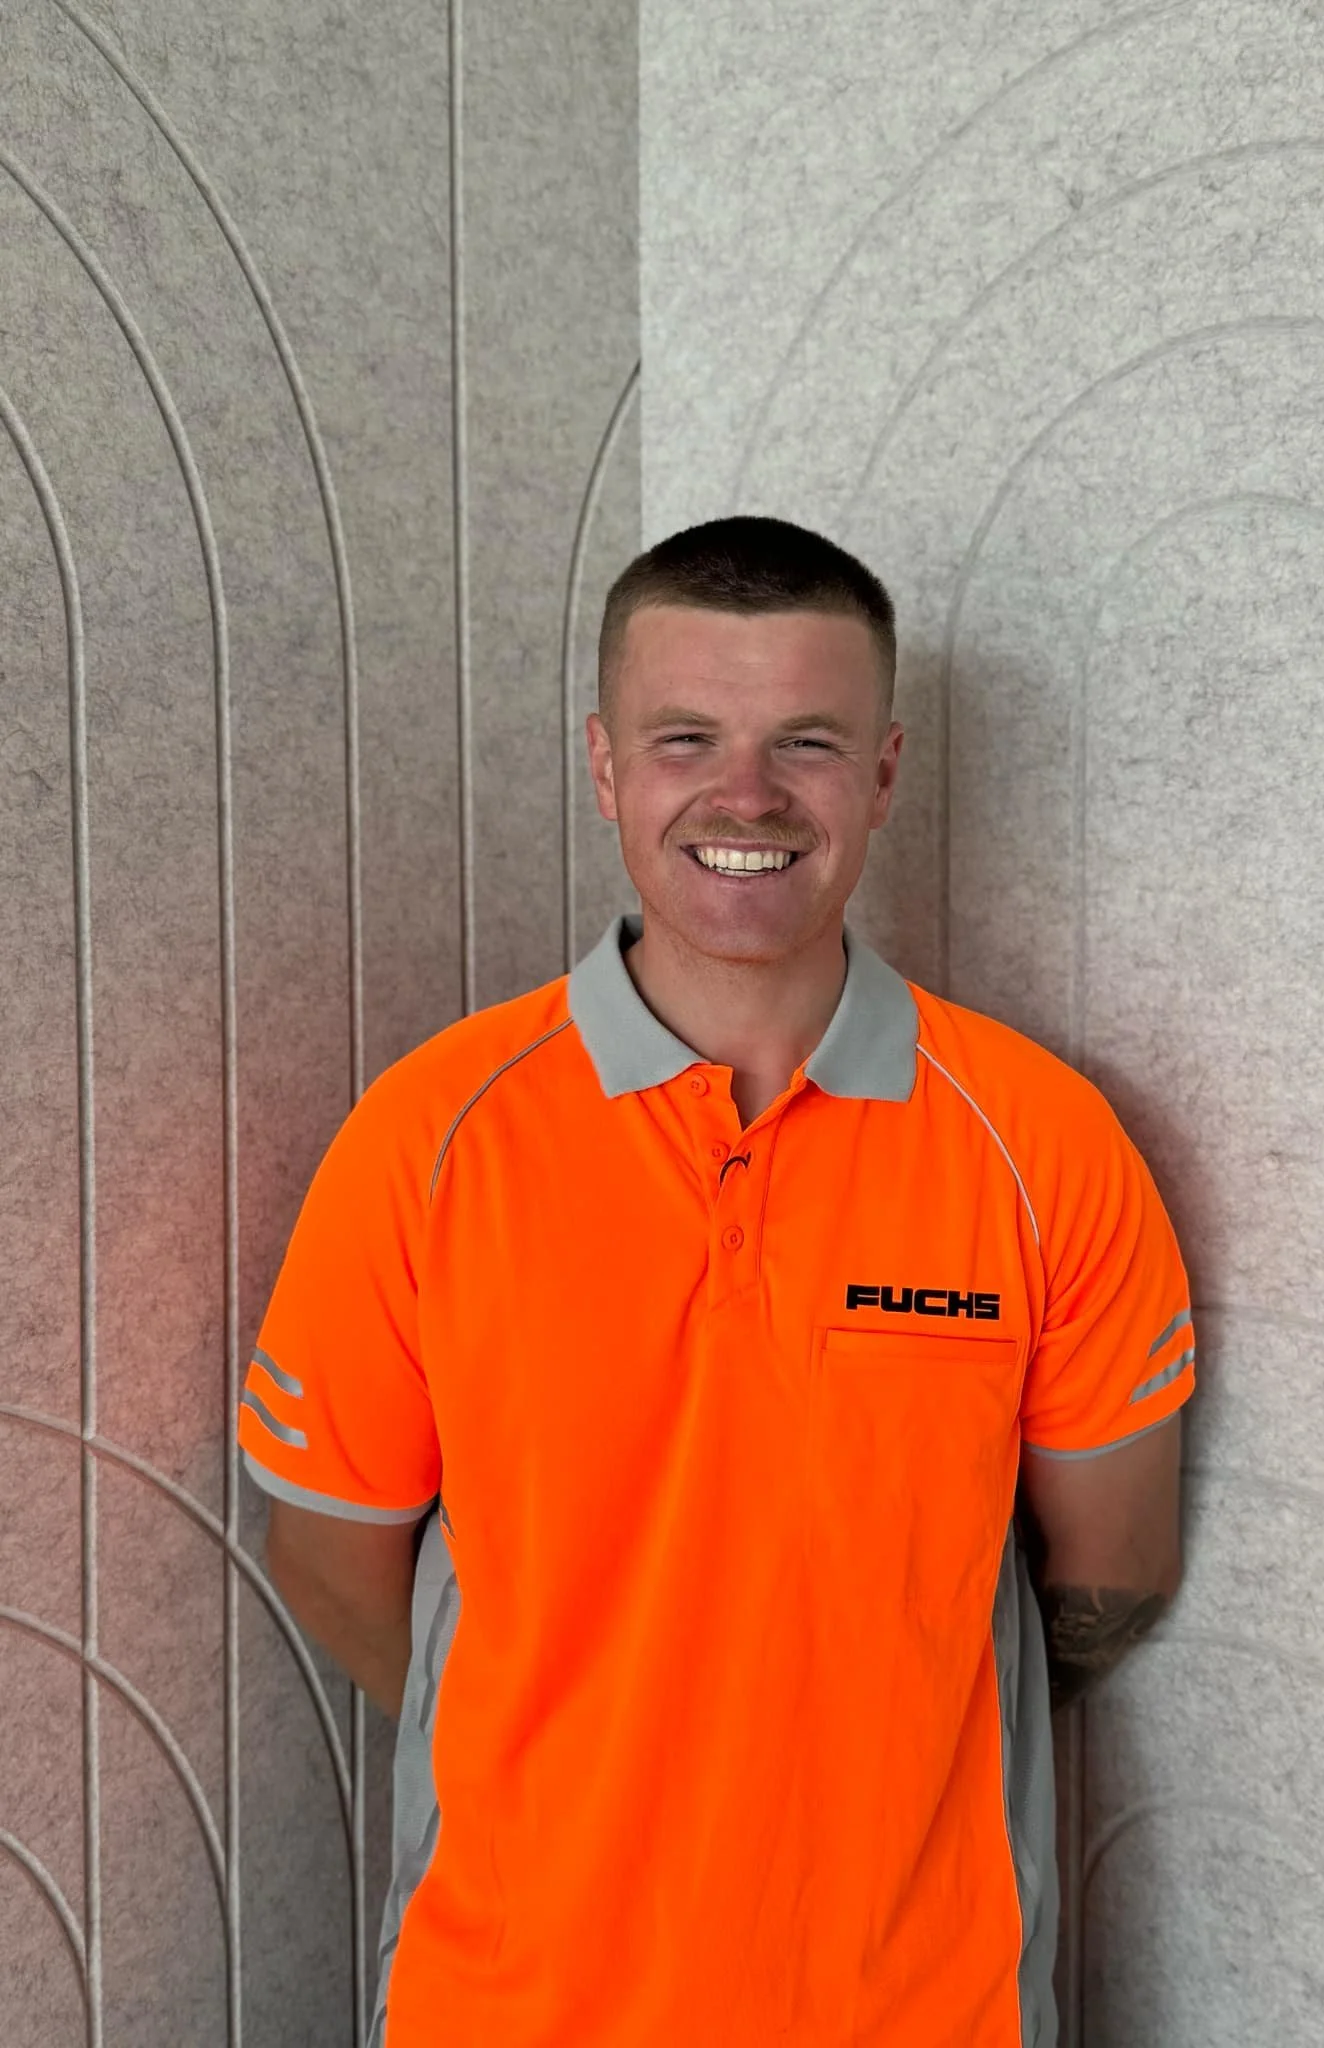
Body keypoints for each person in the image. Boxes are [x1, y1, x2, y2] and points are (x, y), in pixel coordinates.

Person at [240, 516, 1194, 2047]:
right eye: (687, 737)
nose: (745, 796)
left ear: (881, 776)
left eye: (804, 744)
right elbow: (335, 1557)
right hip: (509, 2006)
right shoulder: (429, 1136)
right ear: (609, 767)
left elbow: (1111, 1572)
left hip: (925, 2010)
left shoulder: (1040, 1142)